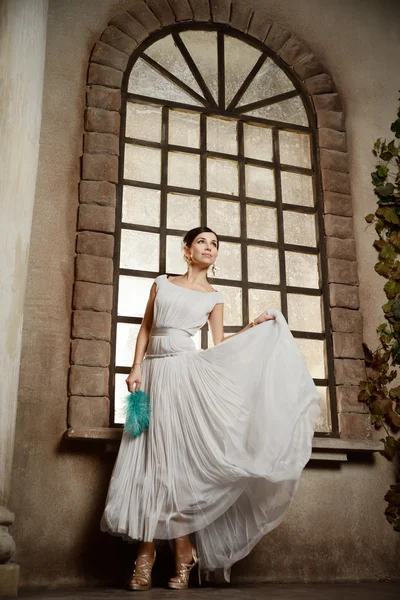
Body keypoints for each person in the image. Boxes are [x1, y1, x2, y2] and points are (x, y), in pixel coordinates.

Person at [100, 226, 321, 590]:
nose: (209, 247)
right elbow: (145, 328)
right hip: (154, 373)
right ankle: (180, 552)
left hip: (184, 375)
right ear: (187, 250)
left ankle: (148, 554)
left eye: (215, 244)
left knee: (169, 463)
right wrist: (136, 366)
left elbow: (218, 345)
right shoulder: (162, 283)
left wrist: (253, 326)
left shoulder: (214, 296)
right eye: (202, 241)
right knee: (150, 462)